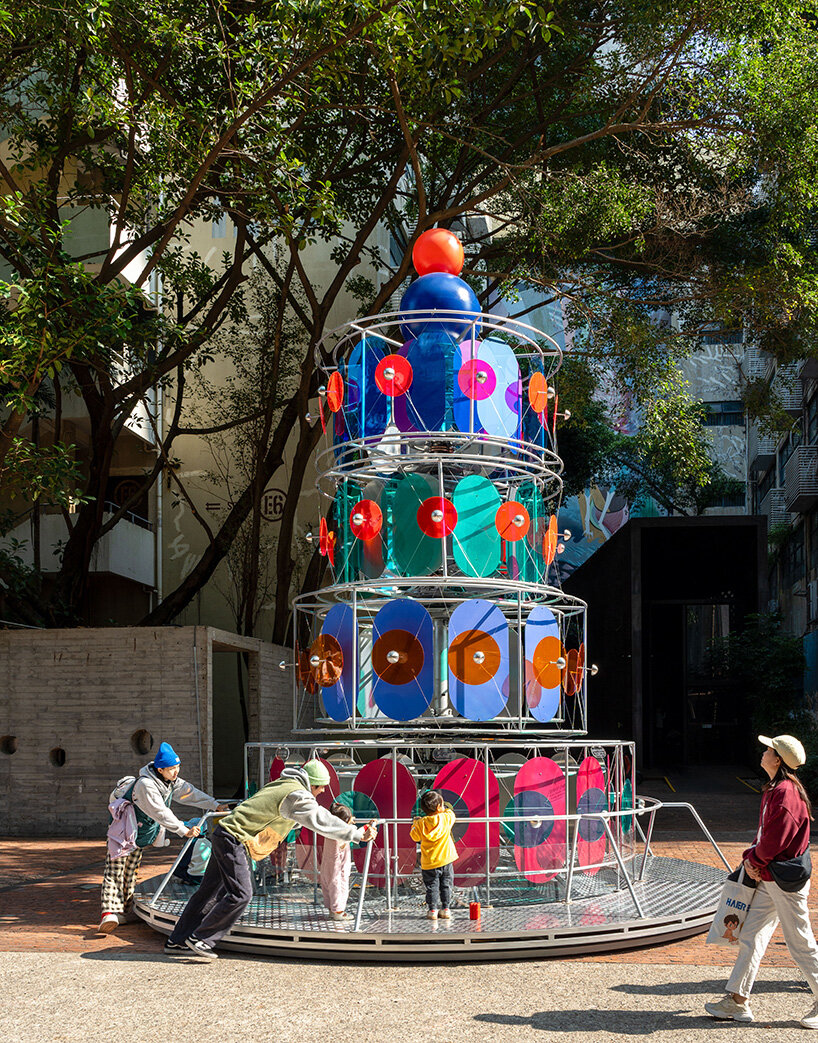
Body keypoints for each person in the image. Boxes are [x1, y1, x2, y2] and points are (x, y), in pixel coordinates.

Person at [163, 760, 377, 959]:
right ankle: (201, 939)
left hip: (223, 833)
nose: (322, 791)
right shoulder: (297, 795)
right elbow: (321, 819)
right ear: (311, 783)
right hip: (235, 840)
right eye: (320, 786)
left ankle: (177, 940)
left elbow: (285, 817)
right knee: (241, 895)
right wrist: (356, 834)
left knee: (207, 893)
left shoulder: (282, 784)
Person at [705, 734, 818, 1028]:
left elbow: (773, 840)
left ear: (777, 759)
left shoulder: (784, 793)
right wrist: (753, 861)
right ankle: (737, 1001)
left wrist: (753, 861)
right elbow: (768, 838)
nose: (763, 752)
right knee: (750, 936)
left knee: (800, 943)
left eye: (768, 750)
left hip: (782, 880)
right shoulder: (778, 789)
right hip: (774, 877)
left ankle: (737, 1001)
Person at [99, 741, 224, 933]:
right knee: (115, 868)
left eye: (177, 767)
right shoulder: (146, 785)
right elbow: (160, 812)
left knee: (130, 869)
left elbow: (189, 793)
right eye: (171, 769)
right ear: (160, 769)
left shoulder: (170, 782)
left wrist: (214, 805)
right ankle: (109, 912)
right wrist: (183, 830)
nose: (176, 772)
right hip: (122, 831)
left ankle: (124, 908)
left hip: (138, 832)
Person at [410, 789, 458, 921]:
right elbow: (452, 814)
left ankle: (432, 910)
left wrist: (415, 823)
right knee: (447, 885)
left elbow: (414, 836)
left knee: (431, 887)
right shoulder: (445, 818)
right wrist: (446, 809)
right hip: (446, 860)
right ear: (438, 807)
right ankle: (446, 909)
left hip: (429, 862)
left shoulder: (421, 823)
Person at [320, 801, 355, 921]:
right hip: (338, 867)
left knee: (329, 885)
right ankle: (338, 912)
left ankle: (331, 909)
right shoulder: (341, 834)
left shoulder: (330, 831)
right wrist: (368, 826)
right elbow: (355, 834)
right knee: (339, 886)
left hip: (327, 866)